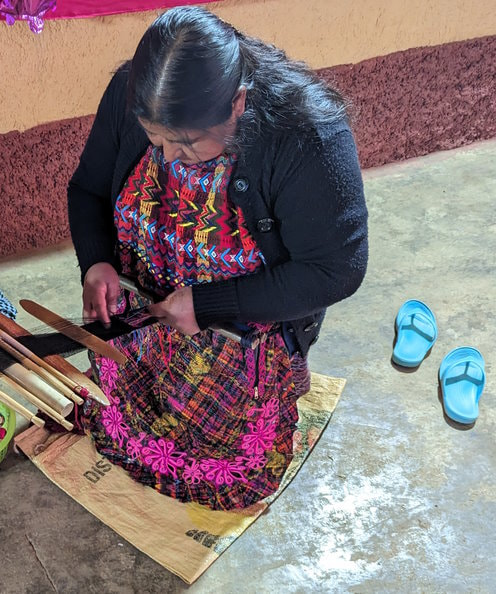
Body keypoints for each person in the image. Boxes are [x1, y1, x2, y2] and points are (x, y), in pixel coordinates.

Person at [67, 7, 368, 510]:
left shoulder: (308, 137)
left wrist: (209, 304)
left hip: (240, 339)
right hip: (144, 321)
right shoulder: (132, 95)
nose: (165, 158)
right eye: (154, 139)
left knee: (222, 469)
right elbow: (88, 190)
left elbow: (337, 270)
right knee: (120, 421)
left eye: (185, 144)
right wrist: (96, 261)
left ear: (237, 104)